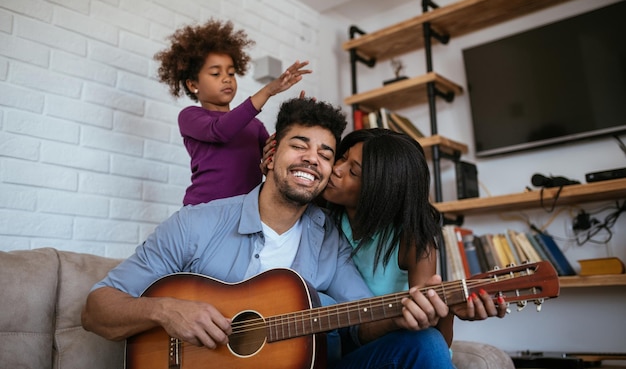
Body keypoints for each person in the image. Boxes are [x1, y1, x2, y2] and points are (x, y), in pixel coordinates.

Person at [81, 98, 455, 369]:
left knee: (423, 345)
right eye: (299, 145)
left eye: (327, 154)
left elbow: (361, 324)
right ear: (272, 153)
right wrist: (165, 310)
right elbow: (96, 309)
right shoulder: (196, 223)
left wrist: (403, 315)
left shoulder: (331, 243)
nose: (314, 158)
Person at [319, 128, 507, 348]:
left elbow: (433, 342)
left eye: (354, 172)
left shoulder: (413, 238)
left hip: (389, 346)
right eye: (342, 157)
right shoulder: (322, 217)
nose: (336, 169)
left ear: (381, 189)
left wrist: (448, 312)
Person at [154, 18, 312, 205]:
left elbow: (275, 155)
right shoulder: (190, 116)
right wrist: (268, 91)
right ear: (193, 84)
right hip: (202, 211)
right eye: (215, 73)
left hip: (244, 214)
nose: (226, 79)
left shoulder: (254, 125)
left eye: (230, 73)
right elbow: (220, 131)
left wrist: (296, 122)